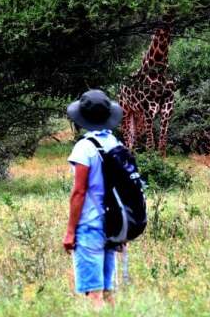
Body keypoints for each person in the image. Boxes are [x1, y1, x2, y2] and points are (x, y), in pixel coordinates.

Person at [63, 89, 123, 308]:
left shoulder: (84, 148)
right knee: (108, 290)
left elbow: (79, 192)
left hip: (90, 226)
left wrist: (70, 231)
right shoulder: (115, 143)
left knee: (93, 293)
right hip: (113, 224)